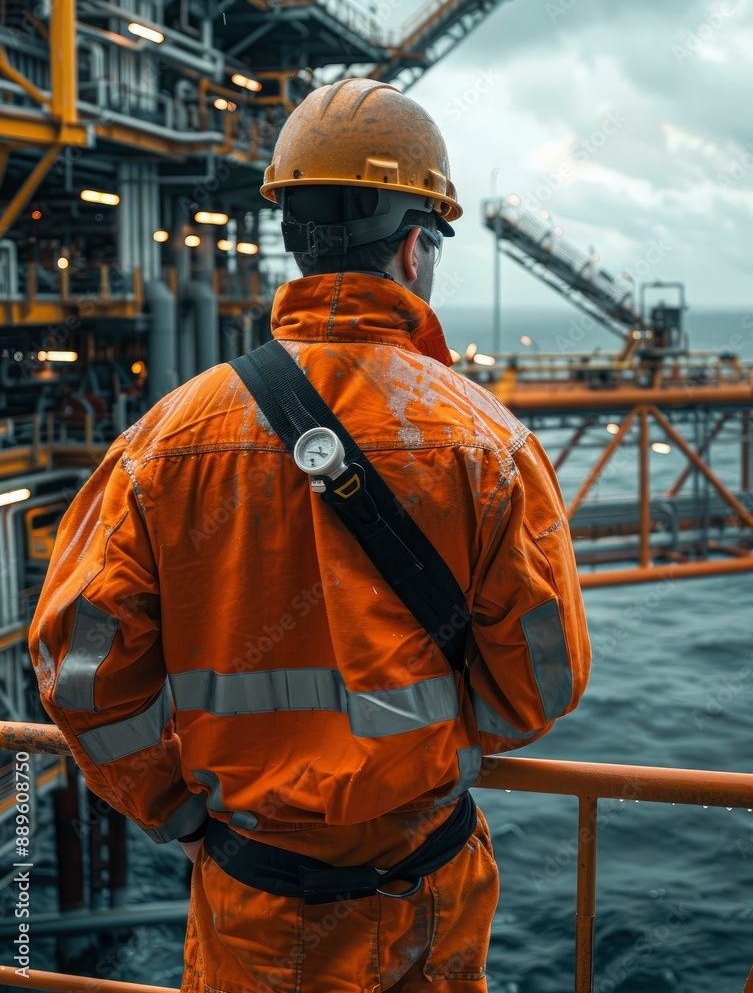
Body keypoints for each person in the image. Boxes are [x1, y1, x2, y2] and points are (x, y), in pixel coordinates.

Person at [29, 78, 591, 993]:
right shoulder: (490, 444)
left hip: (257, 905)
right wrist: (443, 743)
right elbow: (543, 681)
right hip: (430, 890)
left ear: (292, 242)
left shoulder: (163, 442)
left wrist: (175, 808)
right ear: (416, 247)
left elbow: (79, 672)